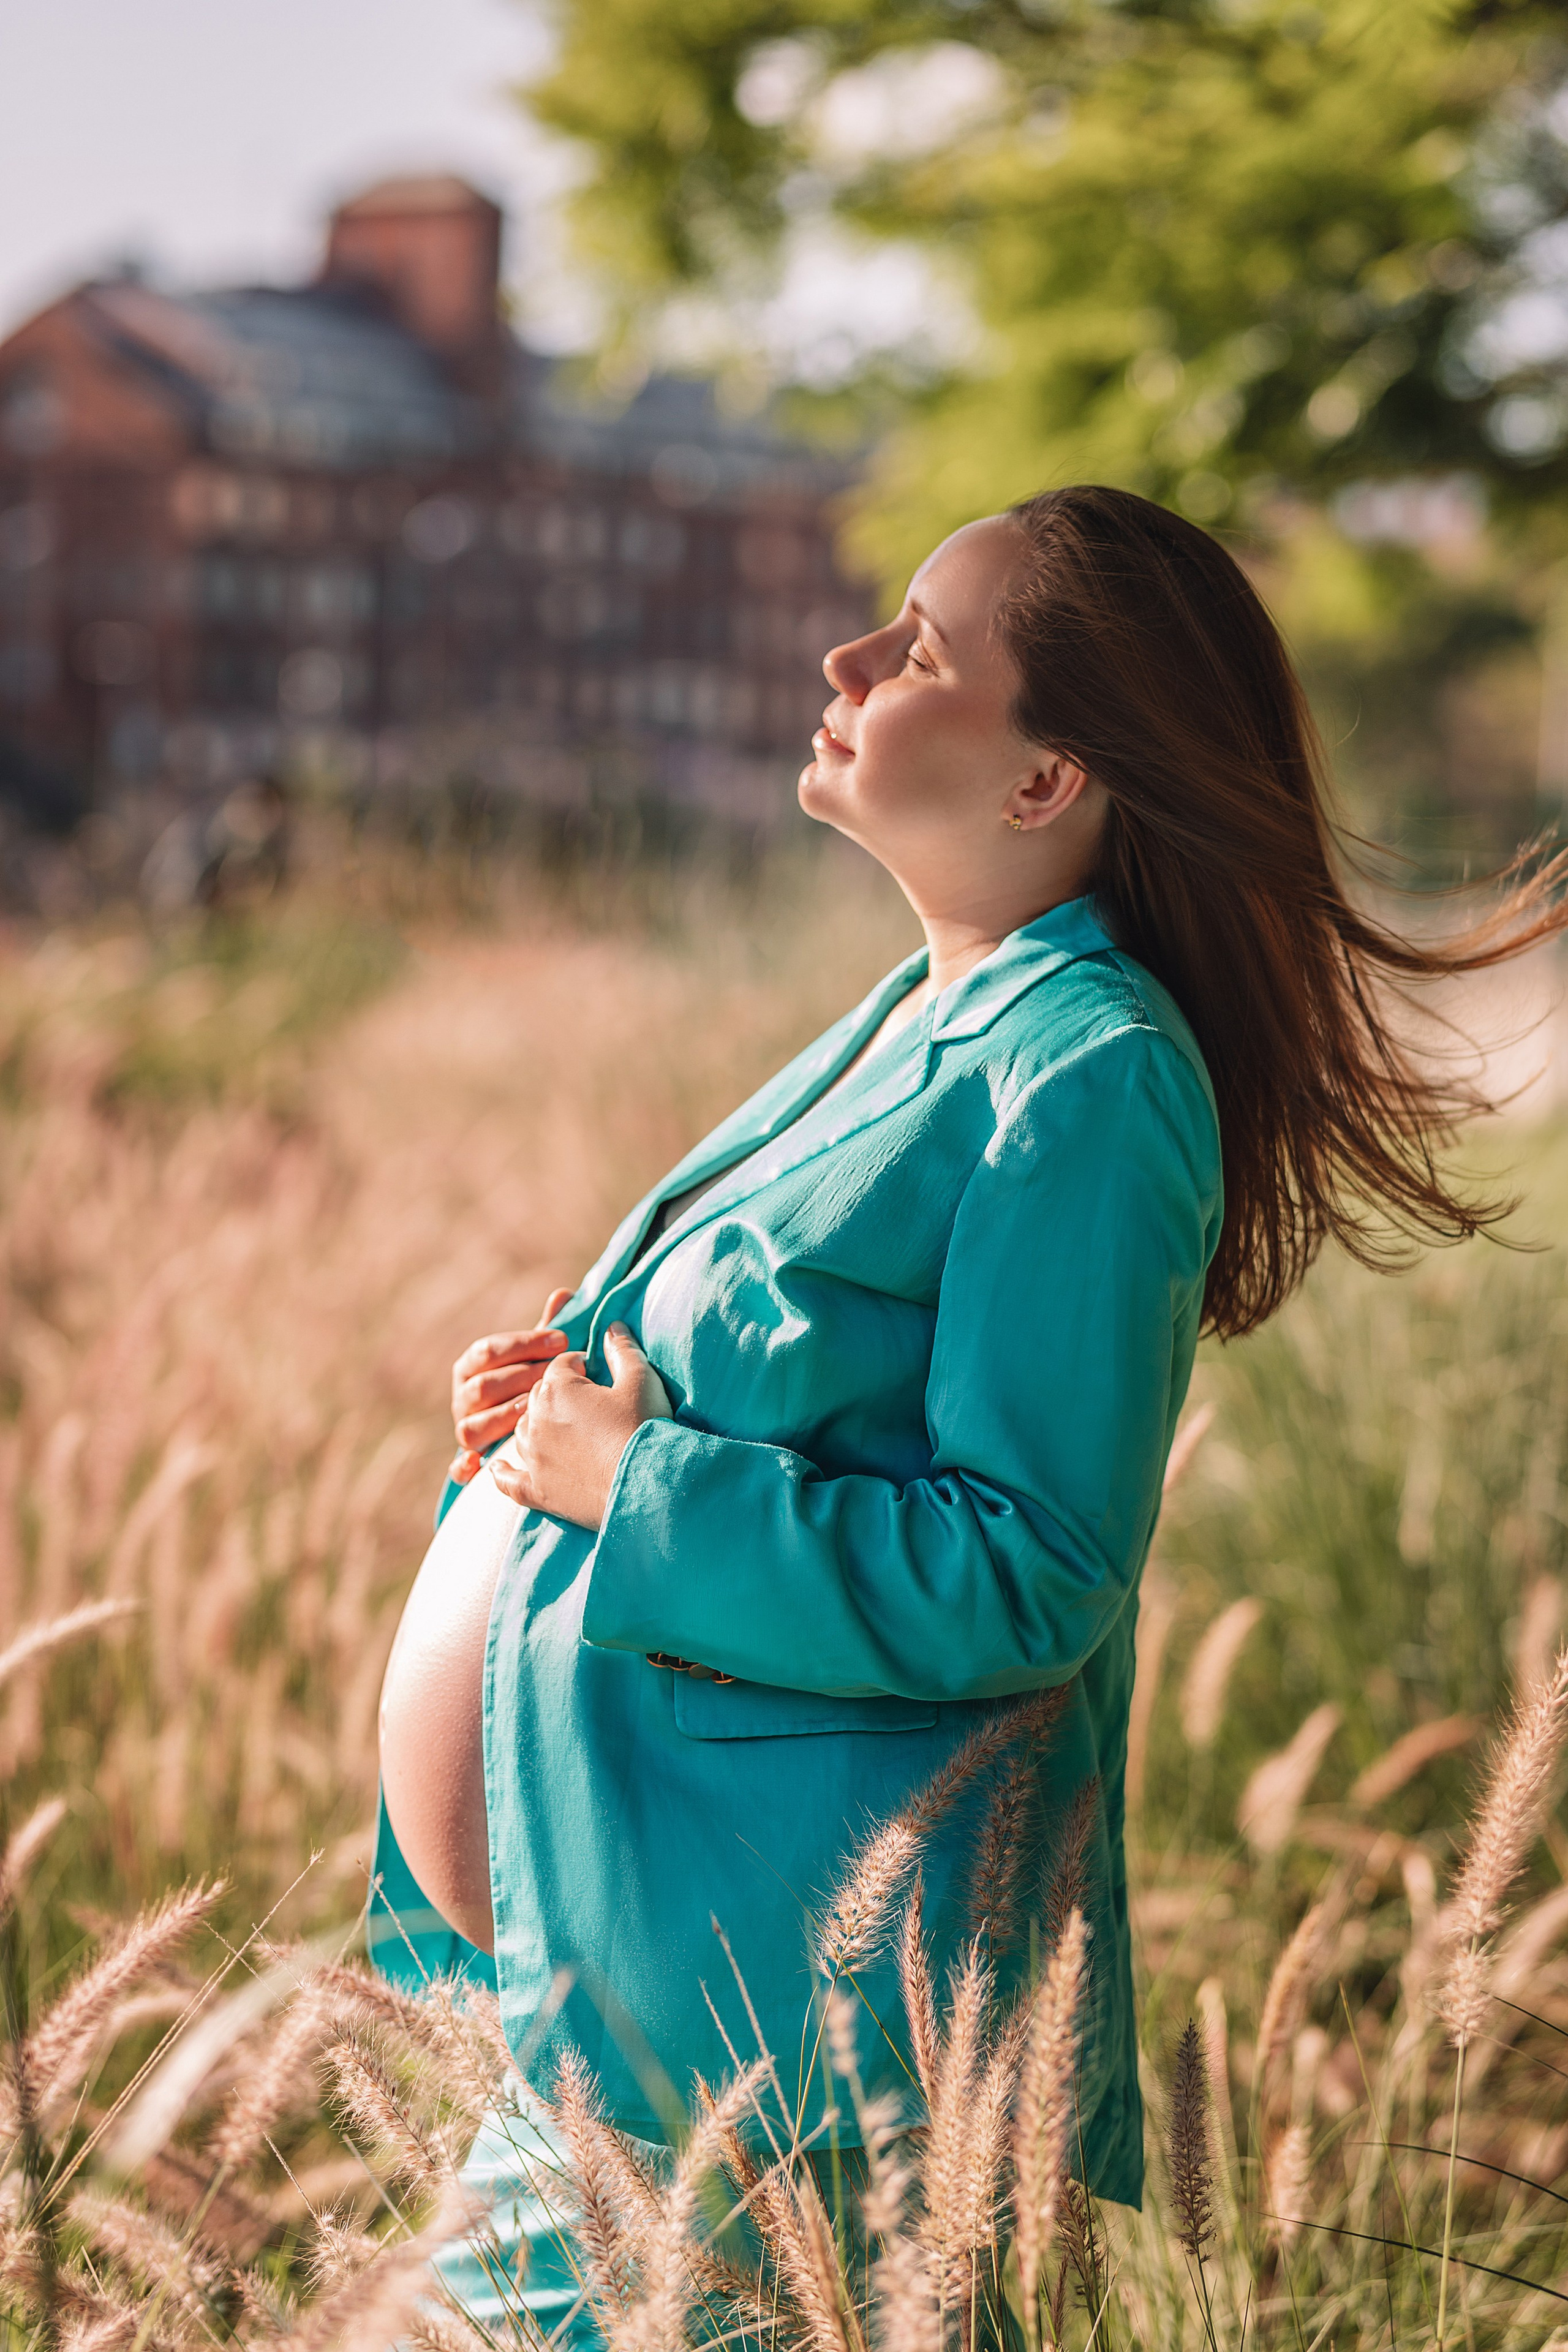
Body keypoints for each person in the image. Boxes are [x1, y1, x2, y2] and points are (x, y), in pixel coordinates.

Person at [371, 485, 1567, 2322]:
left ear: (1043, 784)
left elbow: (1033, 1567)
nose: (851, 661)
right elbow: (796, 1405)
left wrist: (640, 1490)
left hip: (784, 2059)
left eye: (925, 648)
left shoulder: (1093, 1077)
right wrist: (561, 1411)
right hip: (631, 2012)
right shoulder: (928, 1009)